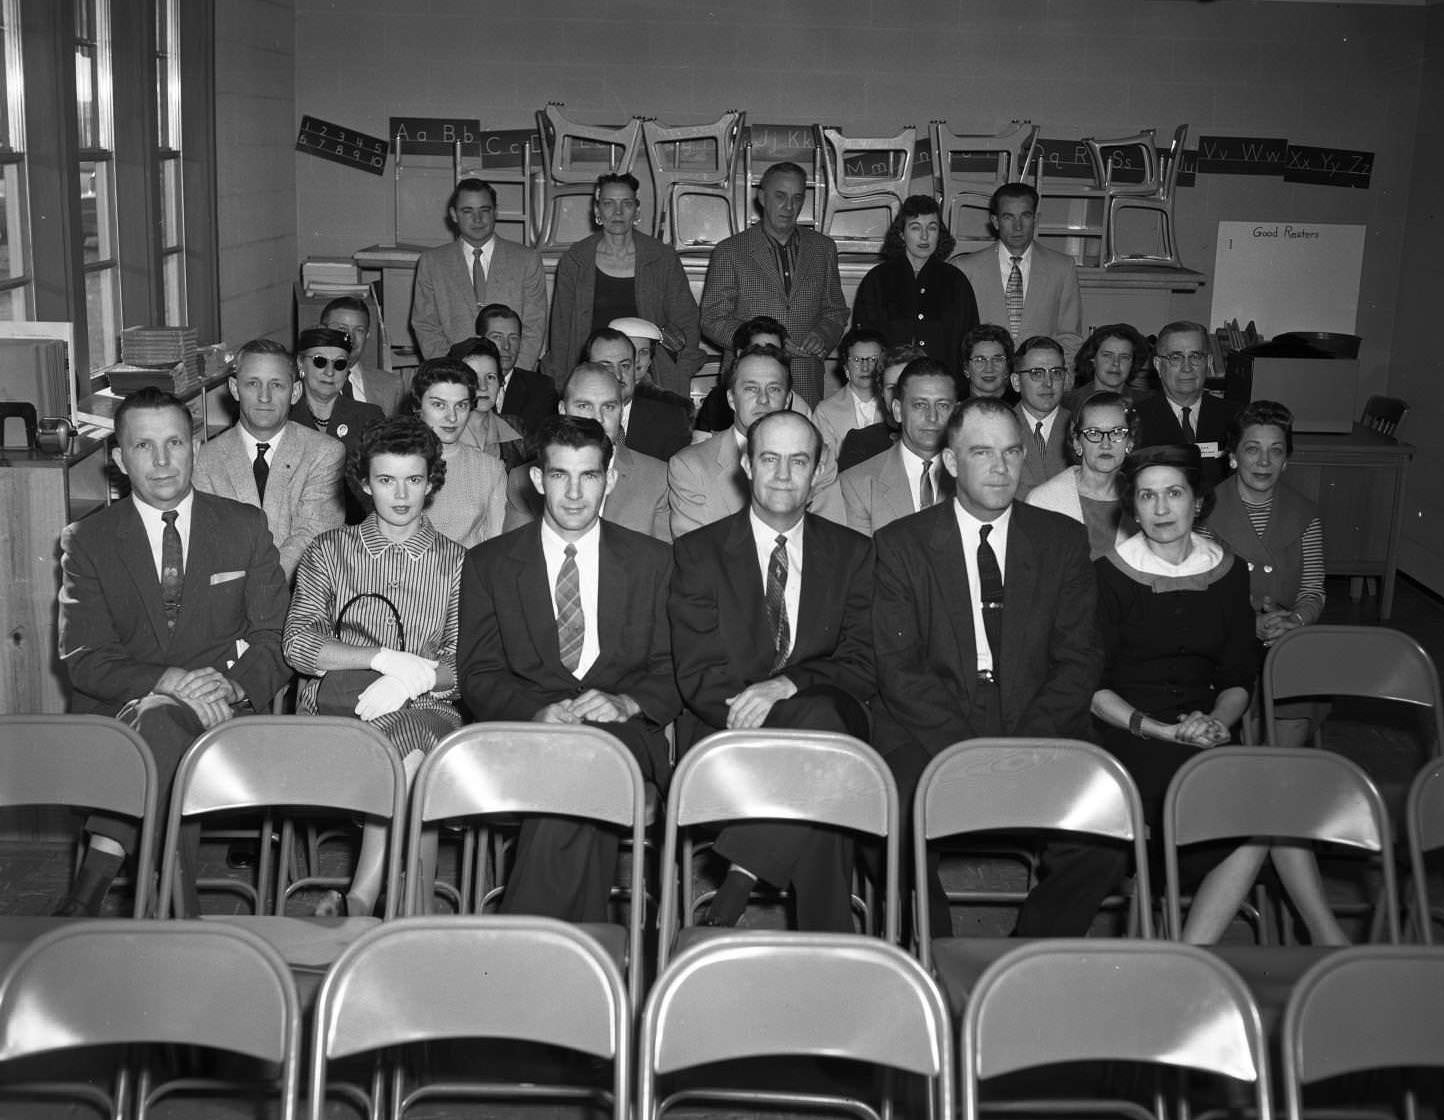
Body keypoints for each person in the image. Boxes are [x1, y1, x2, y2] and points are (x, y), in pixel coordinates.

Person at [1026, 443, 1344, 944]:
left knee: (1270, 800)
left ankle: (1199, 952)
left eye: (1173, 493)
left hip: (1209, 730)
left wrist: (1218, 720)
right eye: (1147, 496)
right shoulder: (1108, 575)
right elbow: (1092, 687)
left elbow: (1240, 674)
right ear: (1132, 507)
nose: (1160, 508)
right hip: (1130, 736)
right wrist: (1164, 730)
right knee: (1260, 809)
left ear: (1197, 501)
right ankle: (1319, 945)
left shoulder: (1229, 571)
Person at [55, 388, 290, 916]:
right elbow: (85, 658)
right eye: (143, 446)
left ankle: (88, 888)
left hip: (226, 714)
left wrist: (230, 685)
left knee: (161, 725)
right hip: (121, 719)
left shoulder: (244, 527)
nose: (162, 461)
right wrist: (168, 682)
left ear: (195, 447)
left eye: (174, 443)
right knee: (160, 721)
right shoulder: (87, 541)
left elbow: (275, 635)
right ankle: (180, 913)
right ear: (119, 459)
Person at [870, 396, 1099, 938]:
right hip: (934, 722)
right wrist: (967, 754)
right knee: (890, 822)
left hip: (1036, 720)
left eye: (1012, 452)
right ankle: (938, 957)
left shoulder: (1061, 541)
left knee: (1102, 835)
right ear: (951, 462)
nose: (1001, 467)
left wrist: (1024, 748)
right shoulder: (901, 545)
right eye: (982, 452)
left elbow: (1080, 659)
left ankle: (1026, 960)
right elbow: (899, 670)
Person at [457, 415, 680, 922]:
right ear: (538, 480)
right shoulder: (491, 563)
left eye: (590, 476)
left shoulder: (654, 562)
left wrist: (626, 701)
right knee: (579, 767)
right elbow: (480, 674)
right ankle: (580, 945)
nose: (575, 493)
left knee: (589, 755)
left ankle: (529, 939)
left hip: (622, 732)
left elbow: (673, 668)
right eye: (560, 475)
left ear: (611, 480)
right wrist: (538, 712)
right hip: (525, 735)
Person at [670, 410, 875, 931]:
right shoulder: (699, 552)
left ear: (819, 470)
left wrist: (789, 684)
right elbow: (697, 674)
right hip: (727, 731)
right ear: (745, 464)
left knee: (824, 728)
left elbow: (863, 662)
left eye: (799, 461)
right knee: (826, 756)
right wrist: (780, 722)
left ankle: (735, 885)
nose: (784, 475)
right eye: (770, 459)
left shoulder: (854, 554)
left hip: (822, 730)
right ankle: (830, 944)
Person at [284, 417, 465, 916]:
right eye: (386, 480)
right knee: (413, 762)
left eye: (413, 479)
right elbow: (299, 644)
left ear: (431, 482)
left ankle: (361, 899)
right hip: (338, 718)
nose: (401, 494)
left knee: (411, 740)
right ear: (365, 483)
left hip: (429, 711)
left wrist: (418, 678)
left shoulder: (457, 562)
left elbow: (465, 663)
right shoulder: (328, 551)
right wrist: (382, 659)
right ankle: (415, 909)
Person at [1205, 400, 1327, 742]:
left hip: (1288, 636)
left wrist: (1295, 622)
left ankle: (1281, 778)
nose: (1263, 461)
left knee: (1293, 703)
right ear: (1233, 456)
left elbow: (1313, 589)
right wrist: (1249, 624)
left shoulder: (1306, 513)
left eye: (1275, 451)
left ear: (1286, 459)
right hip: (1226, 639)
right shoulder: (1206, 513)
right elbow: (1200, 593)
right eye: (1252, 449)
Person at [700, 161, 849, 407]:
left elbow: (836, 311)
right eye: (780, 196)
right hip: (747, 383)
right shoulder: (730, 251)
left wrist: (822, 336)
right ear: (761, 197)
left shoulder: (824, 249)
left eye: (797, 198)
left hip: (805, 382)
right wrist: (764, 342)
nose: (789, 207)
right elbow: (712, 319)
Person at [194, 337, 344, 577]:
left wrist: (262, 589)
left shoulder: (325, 452)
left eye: (277, 385)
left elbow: (313, 535)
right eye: (253, 384)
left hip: (301, 598)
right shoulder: (205, 459)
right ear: (234, 388)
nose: (264, 397)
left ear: (295, 392)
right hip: (228, 597)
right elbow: (207, 542)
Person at [546, 173, 703, 396]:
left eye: (626, 204)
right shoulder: (575, 260)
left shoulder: (662, 258)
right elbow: (561, 333)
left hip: (652, 377)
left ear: (636, 211)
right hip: (593, 377)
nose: (618, 212)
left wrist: (678, 374)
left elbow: (686, 322)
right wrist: (563, 385)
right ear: (597, 211)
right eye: (608, 204)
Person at [668, 344, 843, 538]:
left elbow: (831, 544)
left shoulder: (821, 460)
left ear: (787, 401)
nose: (763, 399)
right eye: (751, 389)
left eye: (774, 389)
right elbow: (695, 556)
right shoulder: (691, 466)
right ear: (731, 399)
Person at [503, 361, 670, 541]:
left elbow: (663, 563)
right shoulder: (523, 480)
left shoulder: (658, 478)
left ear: (621, 412)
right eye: (584, 406)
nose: (598, 418)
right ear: (562, 410)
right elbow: (515, 560)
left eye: (608, 407)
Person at [409, 178, 547, 367]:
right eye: (467, 211)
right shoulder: (433, 262)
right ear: (454, 215)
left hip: (510, 375)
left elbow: (534, 326)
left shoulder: (526, 260)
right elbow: (426, 325)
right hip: (453, 376)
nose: (477, 219)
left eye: (484, 210)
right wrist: (451, 374)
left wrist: (512, 376)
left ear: (495, 212)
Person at [952, 183, 1084, 364]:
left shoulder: (1062, 268)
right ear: (995, 221)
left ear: (1036, 219)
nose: (1018, 226)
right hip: (983, 381)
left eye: (1025, 216)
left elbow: (1070, 336)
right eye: (1008, 217)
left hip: (1041, 380)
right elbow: (956, 337)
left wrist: (1061, 378)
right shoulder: (965, 268)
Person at [851, 194, 979, 372]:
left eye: (932, 228)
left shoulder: (956, 281)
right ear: (902, 234)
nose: (925, 236)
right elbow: (863, 339)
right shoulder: (877, 280)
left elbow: (969, 342)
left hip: (942, 383)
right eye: (915, 228)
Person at [841, 356, 959, 536]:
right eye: (920, 405)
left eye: (943, 405)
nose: (932, 417)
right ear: (898, 411)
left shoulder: (974, 478)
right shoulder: (858, 484)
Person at [404, 356, 507, 549]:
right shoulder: (393, 462)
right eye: (439, 404)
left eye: (461, 405)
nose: (452, 417)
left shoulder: (490, 469)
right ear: (417, 407)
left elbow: (495, 548)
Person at [1024, 390, 1137, 559]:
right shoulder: (1042, 501)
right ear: (1077, 442)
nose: (1105, 444)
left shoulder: (1144, 497)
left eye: (1117, 432)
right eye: (1093, 433)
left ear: (1130, 441)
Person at [289, 326, 385, 524]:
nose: (329, 372)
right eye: (320, 361)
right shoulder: (284, 418)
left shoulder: (368, 417)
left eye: (339, 364)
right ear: (300, 363)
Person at [1134, 319, 1242, 492]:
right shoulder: (1135, 418)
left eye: (1195, 356)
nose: (1187, 367)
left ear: (1208, 362)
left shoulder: (1236, 418)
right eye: (1175, 357)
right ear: (1158, 365)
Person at [446, 302, 560, 437]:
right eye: (497, 337)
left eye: (513, 338)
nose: (506, 346)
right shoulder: (458, 384)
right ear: (480, 339)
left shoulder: (542, 388)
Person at [585, 326, 692, 462]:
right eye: (606, 366)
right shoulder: (574, 418)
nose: (618, 375)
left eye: (625, 366)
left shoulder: (671, 421)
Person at [693, 315, 815, 434]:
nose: (763, 399)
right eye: (758, 352)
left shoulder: (798, 407)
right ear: (740, 355)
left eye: (774, 353)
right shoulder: (718, 401)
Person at [836, 342, 921, 473]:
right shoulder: (862, 443)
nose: (900, 396)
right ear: (881, 392)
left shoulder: (949, 440)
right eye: (892, 388)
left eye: (908, 387)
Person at [449, 337, 527, 471]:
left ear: (500, 382)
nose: (483, 387)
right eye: (472, 378)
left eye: (490, 377)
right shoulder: (440, 433)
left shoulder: (515, 427)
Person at [321, 295, 404, 417]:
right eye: (342, 329)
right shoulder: (305, 384)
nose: (350, 338)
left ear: (367, 334)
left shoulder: (391, 387)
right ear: (323, 331)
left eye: (359, 330)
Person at [813, 327, 888, 463]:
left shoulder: (894, 406)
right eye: (857, 360)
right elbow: (824, 465)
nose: (865, 367)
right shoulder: (825, 411)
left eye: (873, 359)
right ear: (846, 367)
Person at [1011, 335, 1072, 498]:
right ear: (1016, 382)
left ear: (1065, 379)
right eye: (1037, 373)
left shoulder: (1081, 427)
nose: (1048, 383)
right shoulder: (998, 428)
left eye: (1056, 373)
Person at [1061, 323, 1152, 414]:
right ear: (1092, 359)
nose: (1116, 363)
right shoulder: (1067, 404)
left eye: (1124, 357)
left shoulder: (1147, 404)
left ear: (1132, 363)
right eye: (1107, 355)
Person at [960, 323, 1020, 404]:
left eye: (997, 359)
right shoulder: (952, 406)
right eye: (980, 360)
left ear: (1007, 368)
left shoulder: (1022, 407)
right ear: (966, 369)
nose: (989, 368)